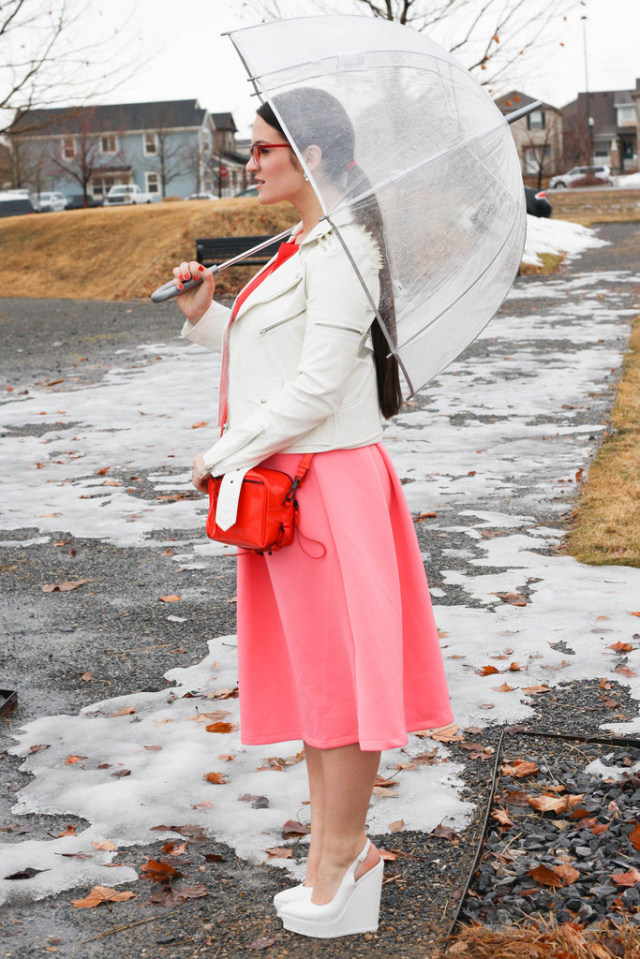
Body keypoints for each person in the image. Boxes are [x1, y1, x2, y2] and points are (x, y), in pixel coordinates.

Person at [172, 88, 453, 940]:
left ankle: (341, 860)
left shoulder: (345, 246)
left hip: (324, 486)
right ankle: (338, 857)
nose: (248, 161)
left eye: (262, 148)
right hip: (297, 485)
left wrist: (225, 455)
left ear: (314, 156)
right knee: (320, 680)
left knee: (341, 683)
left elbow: (319, 386)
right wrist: (208, 316)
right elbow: (281, 358)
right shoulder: (306, 241)